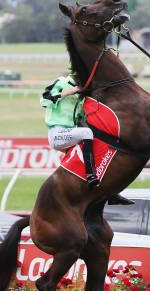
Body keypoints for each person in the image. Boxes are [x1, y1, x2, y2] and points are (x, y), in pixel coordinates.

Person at [41, 73, 134, 205]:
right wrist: (71, 91)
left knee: (99, 146)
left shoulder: (81, 97)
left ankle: (110, 193)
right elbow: (45, 100)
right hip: (57, 134)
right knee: (86, 132)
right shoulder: (61, 82)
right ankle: (91, 175)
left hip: (70, 135)